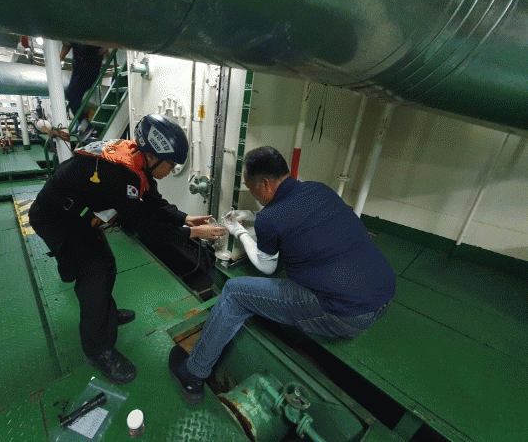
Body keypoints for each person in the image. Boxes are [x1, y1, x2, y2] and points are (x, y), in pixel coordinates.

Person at [168, 146, 396, 404]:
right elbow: (291, 215)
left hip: (347, 316)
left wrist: (238, 230)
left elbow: (267, 267)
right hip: (384, 296)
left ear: (265, 184)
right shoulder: (318, 190)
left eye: (251, 188)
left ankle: (193, 373)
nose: (252, 194)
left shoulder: (270, 219)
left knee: (234, 293)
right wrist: (251, 215)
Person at [29, 114, 226, 385]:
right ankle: (98, 350)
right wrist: (192, 233)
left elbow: (154, 201)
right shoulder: (119, 174)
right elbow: (145, 226)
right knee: (94, 272)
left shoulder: (137, 160)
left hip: (76, 214)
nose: (171, 170)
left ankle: (105, 317)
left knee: (106, 263)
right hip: (55, 218)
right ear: (153, 156)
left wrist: (186, 218)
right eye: (170, 164)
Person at [60, 43, 107, 123]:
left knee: (71, 93)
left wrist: (103, 51)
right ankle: (83, 120)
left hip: (90, 65)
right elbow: (67, 45)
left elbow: (67, 45)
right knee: (71, 94)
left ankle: (83, 120)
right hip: (78, 65)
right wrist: (59, 58)